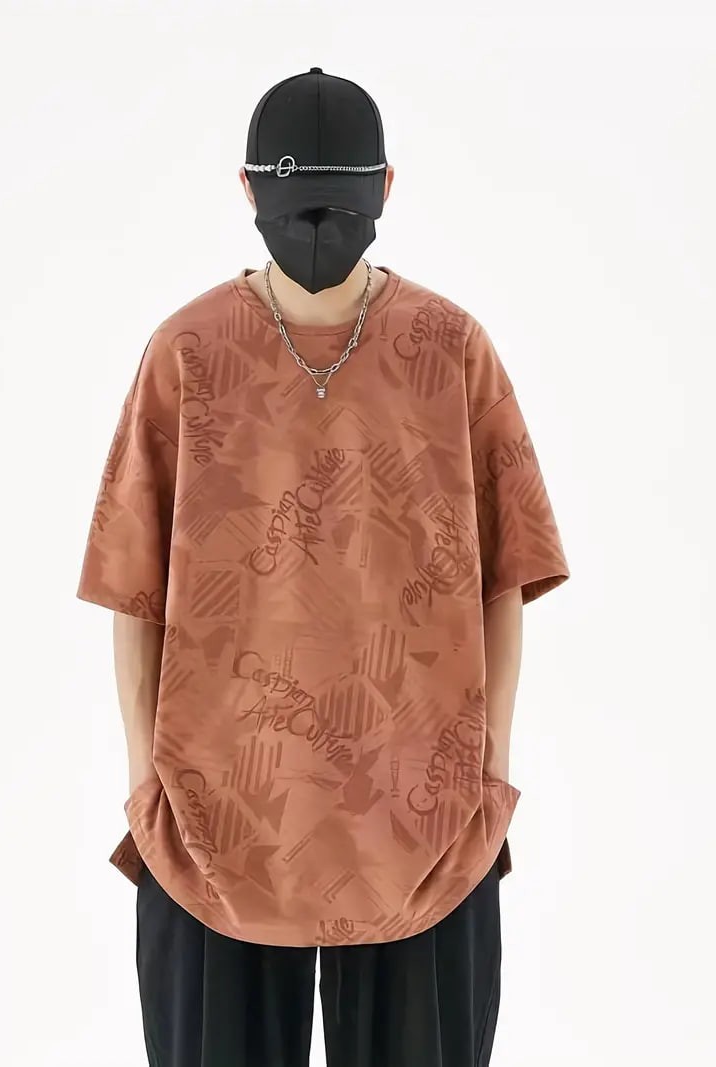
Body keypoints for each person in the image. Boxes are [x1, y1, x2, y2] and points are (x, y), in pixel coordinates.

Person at [76, 67, 570, 1067]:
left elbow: (504, 573)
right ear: (250, 191)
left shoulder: (449, 349)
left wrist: (487, 774)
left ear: (384, 189)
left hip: (424, 819)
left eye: (335, 201)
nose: (316, 227)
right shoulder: (186, 353)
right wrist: (146, 784)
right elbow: (134, 585)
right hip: (211, 819)